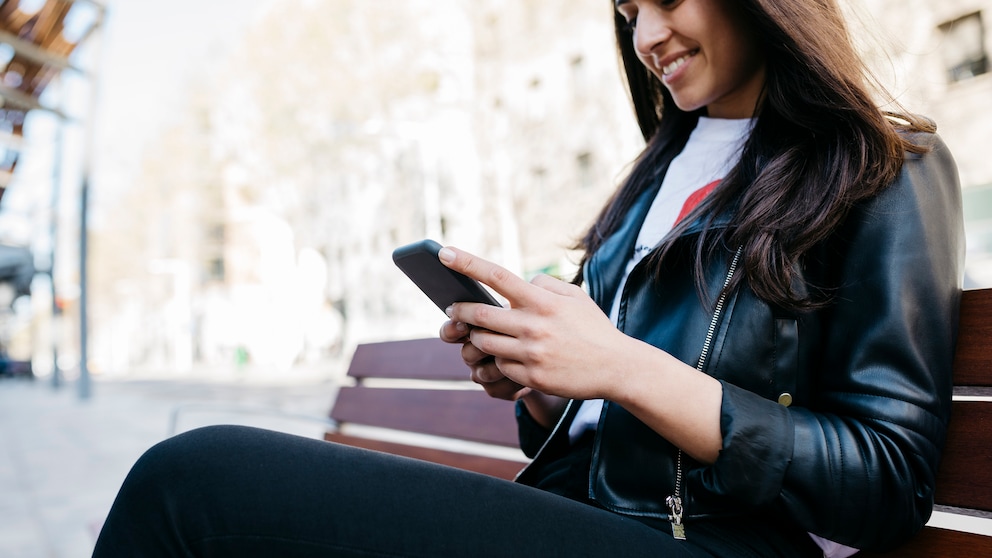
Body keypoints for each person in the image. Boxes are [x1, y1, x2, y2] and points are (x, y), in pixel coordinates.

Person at [92, 0, 964, 556]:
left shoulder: (882, 166)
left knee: (195, 481)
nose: (647, 35)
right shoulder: (652, 178)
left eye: (667, 0)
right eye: (628, 11)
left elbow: (887, 483)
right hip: (578, 518)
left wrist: (620, 367)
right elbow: (598, 423)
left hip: (711, 547)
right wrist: (546, 388)